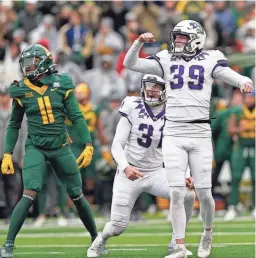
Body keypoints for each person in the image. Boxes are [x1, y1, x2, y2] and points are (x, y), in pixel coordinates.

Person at [123, 20, 254, 258]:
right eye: (177, 37)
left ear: (196, 39)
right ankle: (179, 246)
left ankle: (207, 232)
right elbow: (130, 63)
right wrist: (138, 43)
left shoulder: (211, 57)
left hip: (200, 133)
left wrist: (243, 81)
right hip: (173, 131)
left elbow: (226, 74)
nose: (177, 41)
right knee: (176, 191)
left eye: (182, 37)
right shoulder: (165, 58)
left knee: (204, 193)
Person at [0, 44, 98, 258]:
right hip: (36, 146)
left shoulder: (61, 83)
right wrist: (7, 152)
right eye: (25, 64)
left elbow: (78, 116)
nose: (27, 68)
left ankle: (96, 239)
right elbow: (14, 124)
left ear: (43, 62)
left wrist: (88, 144)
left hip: (61, 146)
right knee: (30, 191)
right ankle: (8, 244)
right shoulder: (20, 89)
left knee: (77, 195)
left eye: (32, 63)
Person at [87, 74, 195, 258]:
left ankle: (177, 244)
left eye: (157, 87)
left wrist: (187, 173)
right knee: (117, 227)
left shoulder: (174, 112)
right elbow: (116, 145)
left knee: (187, 194)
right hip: (130, 173)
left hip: (155, 172)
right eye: (149, 86)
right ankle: (100, 240)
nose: (151, 90)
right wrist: (125, 167)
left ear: (165, 90)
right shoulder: (132, 106)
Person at [225, 90, 255, 221]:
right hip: (241, 146)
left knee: (255, 178)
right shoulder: (237, 111)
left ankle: (254, 207)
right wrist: (239, 130)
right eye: (247, 97)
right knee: (236, 177)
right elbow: (230, 130)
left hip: (254, 146)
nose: (249, 99)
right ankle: (233, 206)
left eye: (251, 97)